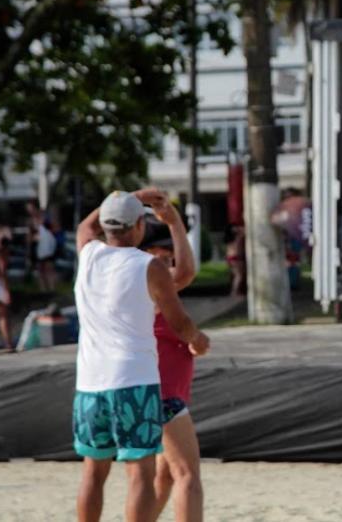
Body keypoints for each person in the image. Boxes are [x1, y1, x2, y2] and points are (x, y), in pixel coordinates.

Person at [73, 189, 210, 522]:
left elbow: (84, 228)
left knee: (93, 473)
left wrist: (129, 197)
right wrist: (198, 339)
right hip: (134, 381)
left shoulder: (88, 255)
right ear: (138, 226)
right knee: (141, 474)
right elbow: (180, 321)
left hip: (90, 383)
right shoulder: (149, 267)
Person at [137, 199, 206, 522]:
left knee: (163, 477)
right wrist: (175, 222)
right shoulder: (146, 285)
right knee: (188, 477)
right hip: (163, 395)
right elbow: (188, 272)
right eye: (160, 257)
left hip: (163, 391)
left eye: (169, 257)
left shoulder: (150, 287)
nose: (167, 263)